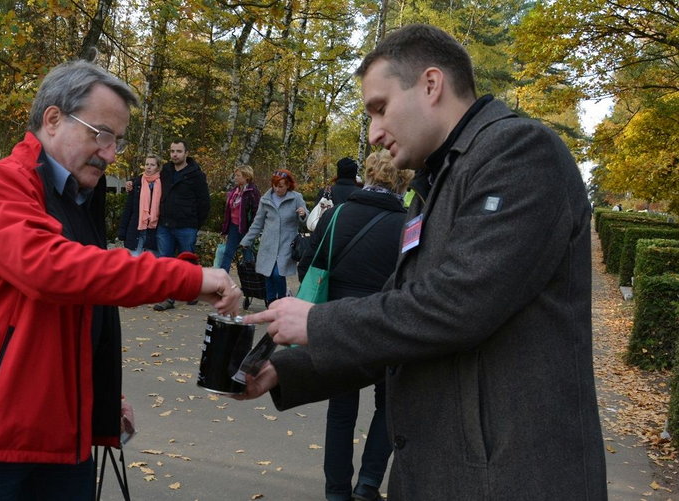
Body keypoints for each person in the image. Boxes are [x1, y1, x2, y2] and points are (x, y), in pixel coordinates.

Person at [240, 24, 606, 499]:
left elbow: (457, 305)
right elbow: (400, 316)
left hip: (509, 478)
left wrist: (318, 321)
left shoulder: (520, 153)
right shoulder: (434, 184)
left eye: (379, 108)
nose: (372, 133)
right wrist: (284, 371)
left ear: (431, 85)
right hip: (448, 473)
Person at [0, 60, 242, 501]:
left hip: (63, 437)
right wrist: (184, 277)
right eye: (102, 135)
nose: (111, 153)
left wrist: (101, 396)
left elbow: (77, 312)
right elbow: (54, 271)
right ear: (53, 119)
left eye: (118, 141)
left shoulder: (76, 199)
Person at [297, 148, 409, 501]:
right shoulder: (409, 226)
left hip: (338, 325)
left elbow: (307, 266)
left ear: (369, 176)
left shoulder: (336, 214)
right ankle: (368, 483)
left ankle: (336, 492)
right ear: (403, 180)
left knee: (341, 409)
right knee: (389, 406)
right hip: (385, 325)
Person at [153, 139, 211, 311]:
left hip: (187, 225)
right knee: (165, 262)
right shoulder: (166, 172)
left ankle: (192, 291)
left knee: (188, 261)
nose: (174, 155)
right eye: (172, 151)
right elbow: (149, 182)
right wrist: (131, 184)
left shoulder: (196, 175)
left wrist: (195, 222)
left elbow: (204, 202)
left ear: (186, 153)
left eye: (178, 151)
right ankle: (167, 297)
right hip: (165, 224)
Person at [240, 169, 307, 304]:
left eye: (281, 186)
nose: (277, 189)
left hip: (286, 243)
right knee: (268, 274)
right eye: (275, 185)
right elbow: (258, 223)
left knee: (278, 274)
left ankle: (282, 300)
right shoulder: (265, 200)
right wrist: (246, 241)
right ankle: (270, 302)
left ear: (288, 185)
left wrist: (303, 214)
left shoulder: (296, 198)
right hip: (268, 243)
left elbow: (307, 220)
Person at [117, 153, 162, 256]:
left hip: (154, 231)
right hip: (136, 228)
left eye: (152, 165)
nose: (149, 167)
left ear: (158, 167)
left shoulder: (162, 183)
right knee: (133, 262)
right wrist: (122, 230)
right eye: (147, 164)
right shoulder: (137, 183)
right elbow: (128, 209)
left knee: (151, 266)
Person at [219, 165, 260, 272]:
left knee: (247, 254)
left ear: (246, 177)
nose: (235, 178)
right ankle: (222, 278)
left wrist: (253, 229)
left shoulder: (253, 191)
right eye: (235, 175)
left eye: (238, 175)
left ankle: (250, 280)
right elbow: (228, 211)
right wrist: (225, 228)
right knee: (228, 252)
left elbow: (257, 211)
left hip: (247, 228)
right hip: (233, 226)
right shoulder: (235, 191)